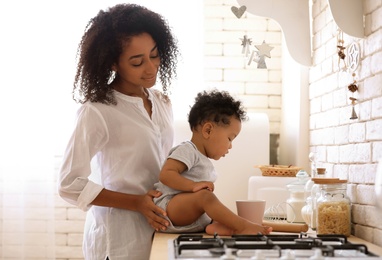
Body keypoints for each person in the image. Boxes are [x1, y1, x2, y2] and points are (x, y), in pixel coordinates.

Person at [58, 4, 179, 259]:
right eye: (137, 62)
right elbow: (69, 184)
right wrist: (136, 202)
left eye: (154, 55)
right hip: (117, 238)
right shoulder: (98, 111)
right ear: (113, 63)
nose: (151, 68)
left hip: (159, 228)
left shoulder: (162, 102)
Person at [154, 90, 273, 235]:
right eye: (230, 139)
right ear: (208, 130)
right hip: (168, 207)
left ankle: (216, 227)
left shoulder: (202, 160)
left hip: (187, 213)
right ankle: (242, 226)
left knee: (212, 205)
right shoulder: (187, 150)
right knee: (206, 197)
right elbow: (166, 174)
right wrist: (193, 186)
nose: (230, 146)